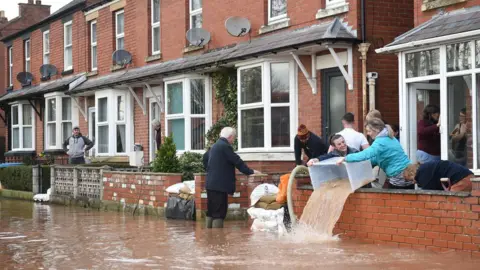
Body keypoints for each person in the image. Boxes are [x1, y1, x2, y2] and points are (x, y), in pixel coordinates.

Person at [204, 127, 260, 229]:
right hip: (219, 186)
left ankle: (209, 238)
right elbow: (236, 161)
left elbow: (205, 160)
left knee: (211, 211)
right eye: (233, 138)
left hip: (210, 184)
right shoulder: (225, 146)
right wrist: (250, 171)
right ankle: (218, 240)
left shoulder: (214, 146)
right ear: (230, 137)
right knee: (219, 213)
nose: (233, 140)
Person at [336, 118, 413, 189]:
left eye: (369, 131)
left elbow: (366, 154)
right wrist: (364, 164)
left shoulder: (380, 142)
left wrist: (346, 158)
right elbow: (378, 158)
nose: (368, 134)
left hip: (399, 176)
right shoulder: (389, 137)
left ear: (376, 130)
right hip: (406, 172)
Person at [403, 160, 473, 192]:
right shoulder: (425, 169)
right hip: (466, 176)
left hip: (462, 179)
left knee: (452, 202)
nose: (413, 183)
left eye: (410, 180)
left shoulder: (422, 174)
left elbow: (429, 194)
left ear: (412, 173)